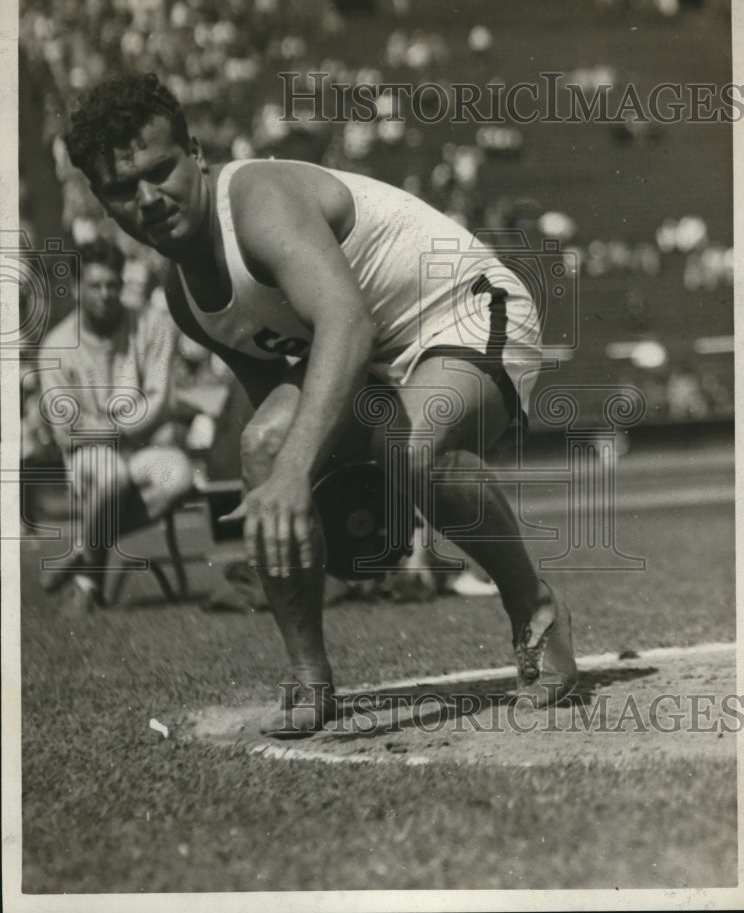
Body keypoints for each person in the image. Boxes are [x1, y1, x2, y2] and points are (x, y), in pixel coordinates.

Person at [63, 72, 577, 732]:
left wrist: (299, 475)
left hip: (462, 311)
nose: (148, 197)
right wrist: (318, 488)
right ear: (101, 200)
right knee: (263, 446)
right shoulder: (184, 299)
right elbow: (278, 397)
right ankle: (309, 674)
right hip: (376, 354)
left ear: (195, 153)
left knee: (414, 449)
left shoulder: (255, 200)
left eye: (161, 170)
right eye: (121, 188)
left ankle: (532, 606)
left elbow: (347, 325)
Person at [38, 237, 195, 611]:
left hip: (140, 451)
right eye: (95, 285)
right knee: (111, 476)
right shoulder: (57, 347)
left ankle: (83, 554)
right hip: (87, 460)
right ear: (78, 288)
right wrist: (122, 423)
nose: (105, 294)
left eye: (113, 284)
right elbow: (68, 431)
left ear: (122, 285)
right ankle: (88, 574)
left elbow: (159, 398)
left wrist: (110, 423)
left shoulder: (150, 325)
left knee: (180, 476)